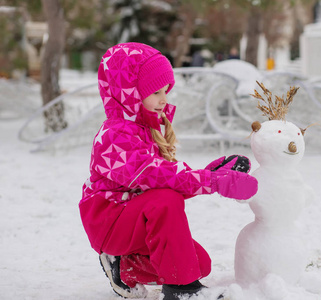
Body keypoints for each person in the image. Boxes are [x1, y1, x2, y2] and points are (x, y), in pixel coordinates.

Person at [79, 42, 258, 299]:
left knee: (198, 263)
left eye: (166, 90)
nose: (164, 100)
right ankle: (181, 290)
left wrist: (209, 174)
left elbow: (160, 182)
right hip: (109, 220)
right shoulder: (115, 135)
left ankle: (124, 266)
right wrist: (211, 181)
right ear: (128, 93)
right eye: (155, 92)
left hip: (131, 215)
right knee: (166, 201)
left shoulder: (143, 129)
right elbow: (155, 179)